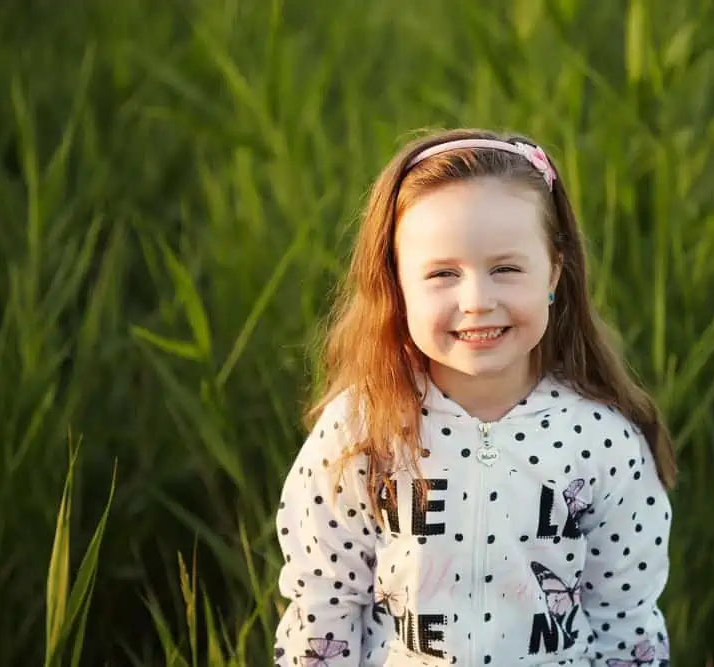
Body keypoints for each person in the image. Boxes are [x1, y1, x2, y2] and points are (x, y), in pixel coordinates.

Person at [273, 128, 677, 667]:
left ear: (554, 271)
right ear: (397, 284)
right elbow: (324, 607)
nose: (477, 301)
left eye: (506, 269)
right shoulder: (361, 430)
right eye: (443, 274)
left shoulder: (602, 441)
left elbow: (625, 622)